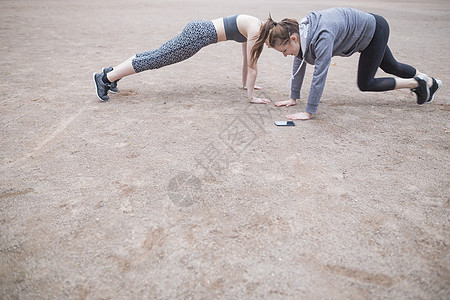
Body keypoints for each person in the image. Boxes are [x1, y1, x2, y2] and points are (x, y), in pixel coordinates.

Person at [251, 8, 442, 120]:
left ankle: (418, 83)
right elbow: (299, 62)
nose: (286, 56)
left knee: (366, 83)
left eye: (284, 51)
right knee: (392, 66)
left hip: (373, 31)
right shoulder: (301, 32)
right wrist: (293, 98)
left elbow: (320, 74)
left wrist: (309, 111)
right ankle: (431, 82)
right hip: (370, 26)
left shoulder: (321, 37)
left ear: (293, 38)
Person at [93, 15, 270, 104]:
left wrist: (247, 85)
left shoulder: (255, 23)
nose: (270, 47)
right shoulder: (255, 32)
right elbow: (253, 66)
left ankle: (112, 74)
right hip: (197, 37)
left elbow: (247, 60)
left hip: (198, 31)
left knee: (155, 55)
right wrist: (251, 98)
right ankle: (104, 79)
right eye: (273, 43)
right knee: (155, 59)